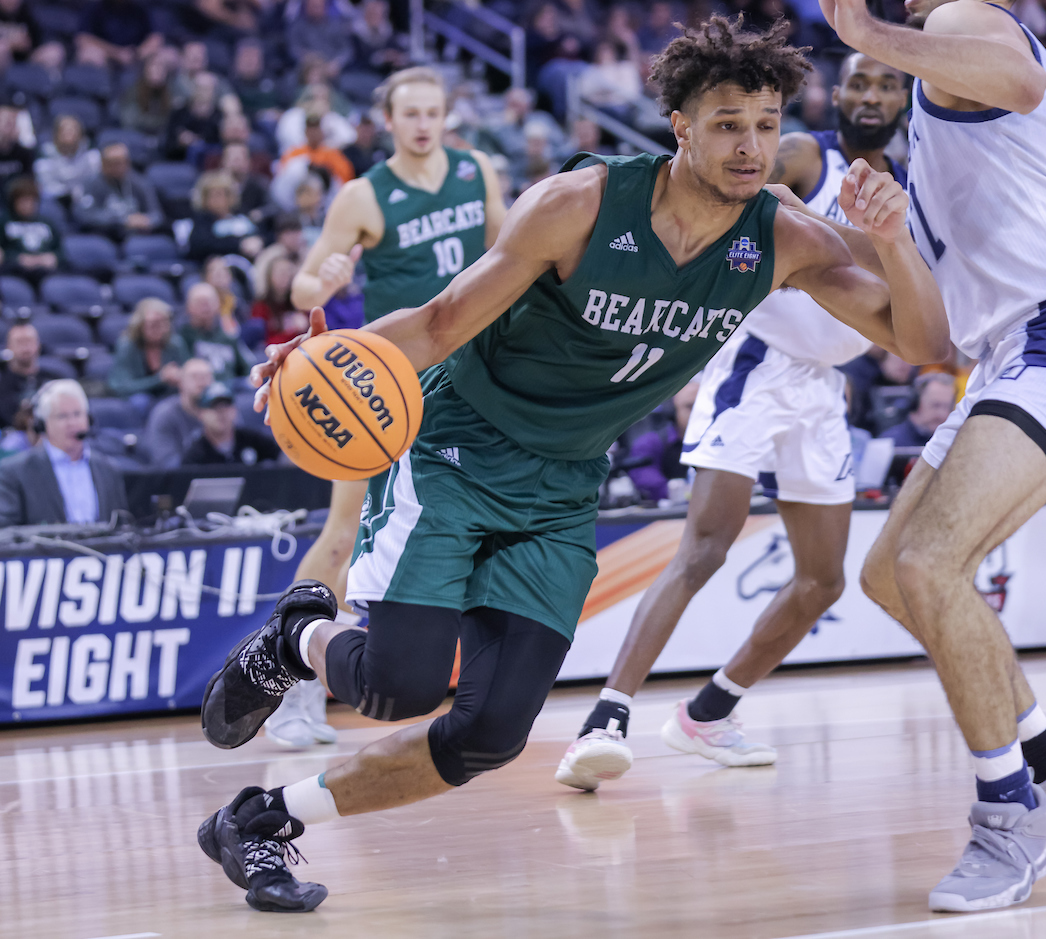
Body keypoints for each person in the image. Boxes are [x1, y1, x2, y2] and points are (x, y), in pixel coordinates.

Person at [196, 17, 949, 912]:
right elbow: (439, 324)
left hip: (561, 490)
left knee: (489, 734)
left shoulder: (783, 236)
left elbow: (925, 344)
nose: (750, 145)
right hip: (458, 450)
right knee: (397, 685)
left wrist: (895, 240)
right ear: (679, 123)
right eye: (725, 123)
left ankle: (261, 819)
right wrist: (318, 354)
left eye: (765, 122)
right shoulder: (577, 204)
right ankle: (299, 638)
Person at [819, 0, 1046, 912]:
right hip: (1012, 349)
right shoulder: (930, 127)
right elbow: (925, 336)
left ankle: (1013, 820)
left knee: (933, 563)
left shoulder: (967, 24)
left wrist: (870, 39)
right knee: (891, 575)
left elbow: (1017, 80)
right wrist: (813, 234)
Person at [557, 51, 911, 791]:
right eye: (859, 83)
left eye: (887, 84)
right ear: (837, 94)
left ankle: (709, 711)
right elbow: (733, 194)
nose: (871, 95)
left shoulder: (910, 190)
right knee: (706, 546)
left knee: (822, 580)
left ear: (907, 101)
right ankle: (605, 716)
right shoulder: (807, 153)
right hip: (755, 360)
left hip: (822, 385)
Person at [255, 66, 509, 750]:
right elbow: (304, 279)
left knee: (485, 523)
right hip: (384, 383)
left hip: (470, 375)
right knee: (342, 531)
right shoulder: (365, 195)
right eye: (411, 113)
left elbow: (510, 251)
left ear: (445, 116)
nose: (424, 123)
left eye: (434, 111)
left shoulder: (475, 169)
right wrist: (325, 279)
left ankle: (487, 687)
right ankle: (289, 684)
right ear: (388, 122)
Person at [0, 379, 127, 526]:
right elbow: (6, 533)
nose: (72, 423)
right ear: (42, 425)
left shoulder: (108, 469)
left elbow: (122, 527)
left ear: (89, 420)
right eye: (62, 416)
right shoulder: (14, 473)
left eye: (77, 414)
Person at [108, 297, 189, 407]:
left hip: (169, 397)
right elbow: (121, 386)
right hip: (138, 398)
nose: (159, 328)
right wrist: (159, 379)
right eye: (153, 323)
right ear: (139, 325)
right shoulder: (127, 346)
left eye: (164, 322)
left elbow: (188, 374)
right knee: (141, 402)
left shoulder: (176, 344)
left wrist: (180, 376)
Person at [73, 142, 163, 239]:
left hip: (136, 234)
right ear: (103, 164)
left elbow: (157, 215)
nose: (118, 167)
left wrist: (147, 220)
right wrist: (122, 220)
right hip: (105, 235)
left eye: (122, 162)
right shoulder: (91, 184)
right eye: (113, 163)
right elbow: (84, 215)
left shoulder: (140, 182)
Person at [181, 381, 279, 466]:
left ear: (235, 410)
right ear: (201, 414)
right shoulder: (195, 453)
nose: (221, 413)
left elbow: (283, 458)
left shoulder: (252, 439)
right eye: (214, 407)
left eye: (226, 406)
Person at [179, 282, 256, 386]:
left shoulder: (228, 335)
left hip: (230, 392)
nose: (205, 307)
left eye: (209, 302)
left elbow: (247, 367)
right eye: (200, 303)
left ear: (218, 305)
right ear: (189, 307)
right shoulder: (182, 337)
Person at [144, 357, 214, 468]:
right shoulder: (164, 414)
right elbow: (165, 463)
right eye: (195, 376)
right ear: (181, 382)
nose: (202, 382)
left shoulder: (224, 410)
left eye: (206, 377)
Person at [187, 171, 263, 261]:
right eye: (212, 196)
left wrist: (259, 241)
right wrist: (239, 244)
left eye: (220, 195)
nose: (217, 200)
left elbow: (259, 234)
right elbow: (201, 245)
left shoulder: (241, 215)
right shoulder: (202, 220)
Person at [33, 115, 100, 206]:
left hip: (86, 198)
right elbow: (46, 186)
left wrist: (79, 193)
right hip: (57, 200)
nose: (69, 134)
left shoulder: (91, 156)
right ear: (55, 135)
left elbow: (95, 182)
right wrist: (68, 193)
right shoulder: (45, 156)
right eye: (65, 131)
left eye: (73, 130)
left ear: (81, 135)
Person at [1, 175, 59, 280]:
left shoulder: (47, 222)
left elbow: (60, 252)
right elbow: (2, 253)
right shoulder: (4, 222)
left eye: (31, 201)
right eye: (23, 201)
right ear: (13, 202)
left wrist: (52, 258)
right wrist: (17, 259)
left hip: (47, 271)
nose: (27, 205)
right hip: (16, 273)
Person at [879, 370, 957, 446]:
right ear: (916, 403)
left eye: (947, 407)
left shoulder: (954, 443)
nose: (942, 414)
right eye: (935, 405)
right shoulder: (889, 443)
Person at [279, 114, 356, 186]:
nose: (313, 133)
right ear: (305, 132)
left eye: (316, 129)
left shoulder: (333, 154)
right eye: (310, 129)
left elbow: (346, 178)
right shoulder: (295, 153)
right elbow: (283, 176)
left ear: (322, 132)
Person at [0, 321, 50, 427]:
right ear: (9, 347)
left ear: (38, 344)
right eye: (19, 342)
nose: (25, 347)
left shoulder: (53, 379)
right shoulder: (3, 384)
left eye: (29, 341)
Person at [252, 255, 306, 347]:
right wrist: (294, 332)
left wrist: (305, 327)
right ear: (269, 276)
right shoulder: (260, 306)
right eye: (281, 272)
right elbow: (263, 344)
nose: (285, 276)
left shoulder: (299, 304)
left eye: (288, 272)